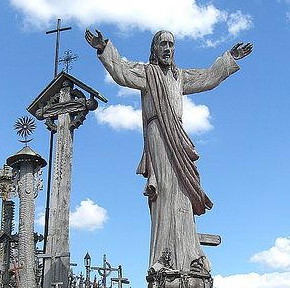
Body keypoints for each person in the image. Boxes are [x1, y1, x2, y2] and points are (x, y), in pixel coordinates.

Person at [85, 29, 253, 274]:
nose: (167, 49)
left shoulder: (180, 77)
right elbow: (121, 71)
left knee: (182, 191)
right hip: (159, 134)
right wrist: (104, 48)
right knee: (163, 190)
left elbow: (208, 77)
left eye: (171, 45)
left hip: (178, 136)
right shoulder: (146, 73)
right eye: (162, 44)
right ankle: (164, 254)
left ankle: (188, 252)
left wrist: (230, 58)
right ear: (154, 49)